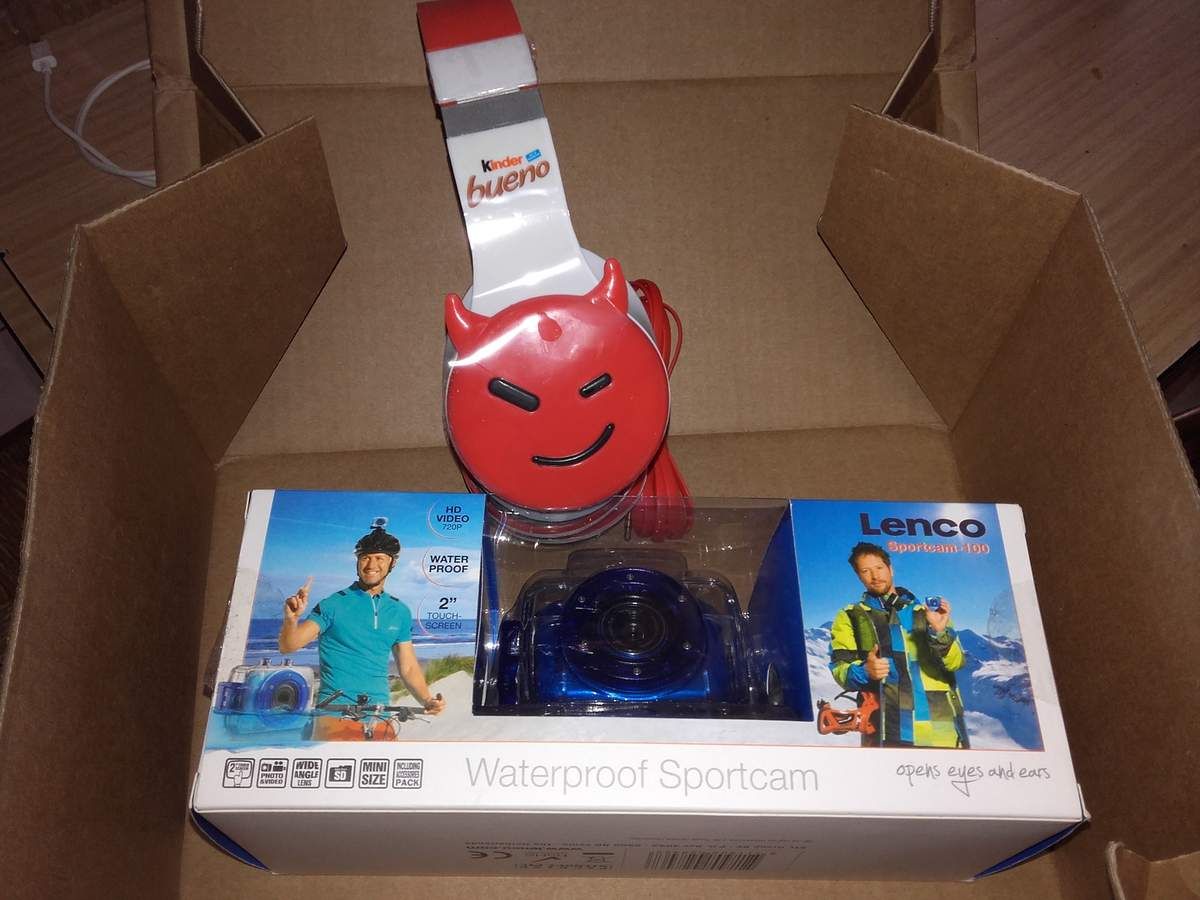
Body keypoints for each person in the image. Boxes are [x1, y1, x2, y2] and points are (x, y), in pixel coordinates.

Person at [278, 519, 446, 740]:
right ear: (357, 561)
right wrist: (291, 619)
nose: (370, 564)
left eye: (379, 558)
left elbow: (408, 667)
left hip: (381, 714)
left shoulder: (399, 611)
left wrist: (427, 700)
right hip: (335, 713)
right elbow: (289, 645)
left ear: (392, 563)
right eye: (365, 557)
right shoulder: (333, 604)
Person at [828, 542, 968, 748]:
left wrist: (939, 633)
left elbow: (956, 662)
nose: (875, 576)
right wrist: (865, 671)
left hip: (943, 732)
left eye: (879, 567)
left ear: (890, 568)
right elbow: (840, 669)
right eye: (866, 571)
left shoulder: (929, 613)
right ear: (859, 576)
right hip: (887, 734)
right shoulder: (850, 616)